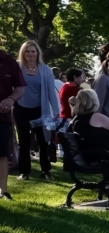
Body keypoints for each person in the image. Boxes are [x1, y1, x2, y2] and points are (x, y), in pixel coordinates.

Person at [13, 41, 60, 180]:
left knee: (42, 140)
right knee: (24, 141)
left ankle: (46, 170)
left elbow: (51, 91)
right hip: (20, 107)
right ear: (23, 53)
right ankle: (24, 172)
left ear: (37, 53)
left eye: (33, 51)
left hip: (40, 109)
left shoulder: (46, 70)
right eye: (27, 51)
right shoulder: (17, 67)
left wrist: (56, 110)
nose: (30, 54)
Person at [0, 46, 26, 200]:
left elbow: (20, 87)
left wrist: (11, 99)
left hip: (2, 116)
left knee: (2, 154)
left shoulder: (9, 61)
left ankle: (3, 191)